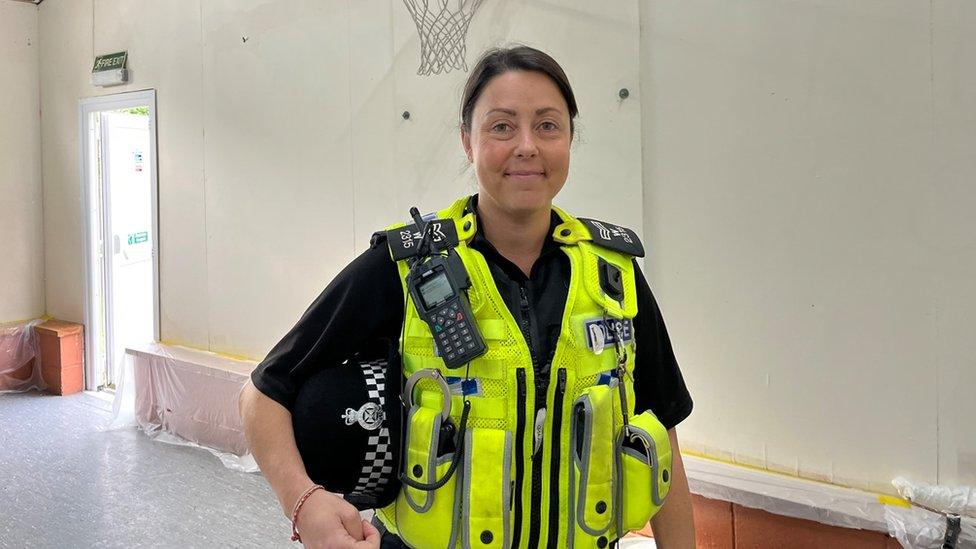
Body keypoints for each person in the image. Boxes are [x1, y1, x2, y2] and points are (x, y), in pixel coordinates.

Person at [240, 45, 696, 548]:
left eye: (548, 125)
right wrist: (302, 502)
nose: (527, 146)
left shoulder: (614, 275)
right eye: (501, 126)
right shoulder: (406, 268)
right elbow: (262, 394)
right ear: (467, 140)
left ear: (570, 137)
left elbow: (663, 436)